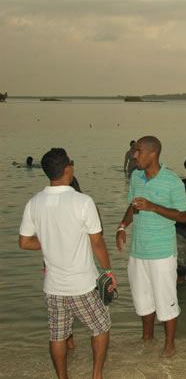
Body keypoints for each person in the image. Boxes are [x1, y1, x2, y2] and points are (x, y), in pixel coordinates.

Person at [19, 148, 117, 379]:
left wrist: (52, 243)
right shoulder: (82, 201)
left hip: (53, 287)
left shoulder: (34, 203)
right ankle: (96, 375)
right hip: (82, 284)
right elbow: (98, 243)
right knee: (101, 327)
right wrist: (109, 272)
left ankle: (62, 377)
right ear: (67, 169)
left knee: (57, 335)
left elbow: (25, 242)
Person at [115, 136, 186, 356]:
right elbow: (133, 205)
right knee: (142, 299)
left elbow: (184, 216)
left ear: (152, 154)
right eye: (134, 151)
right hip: (138, 251)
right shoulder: (136, 177)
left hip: (162, 253)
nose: (133, 155)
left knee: (166, 300)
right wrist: (122, 226)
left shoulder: (172, 181)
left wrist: (153, 207)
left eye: (138, 151)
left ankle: (169, 346)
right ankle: (147, 339)